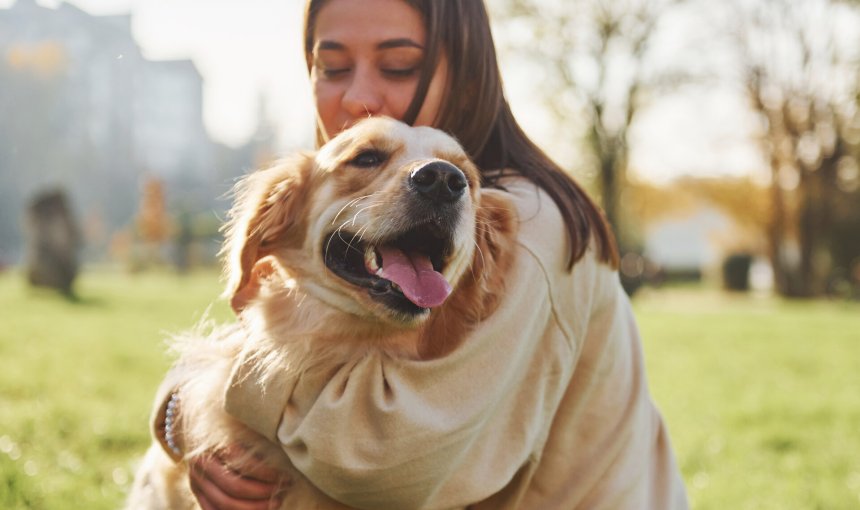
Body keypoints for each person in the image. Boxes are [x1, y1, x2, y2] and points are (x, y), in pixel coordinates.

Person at [148, 0, 689, 508]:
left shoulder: (528, 225)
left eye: (400, 66)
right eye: (332, 68)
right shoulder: (329, 212)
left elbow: (378, 461)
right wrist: (179, 410)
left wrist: (204, 398)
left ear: (469, 71)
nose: (360, 96)